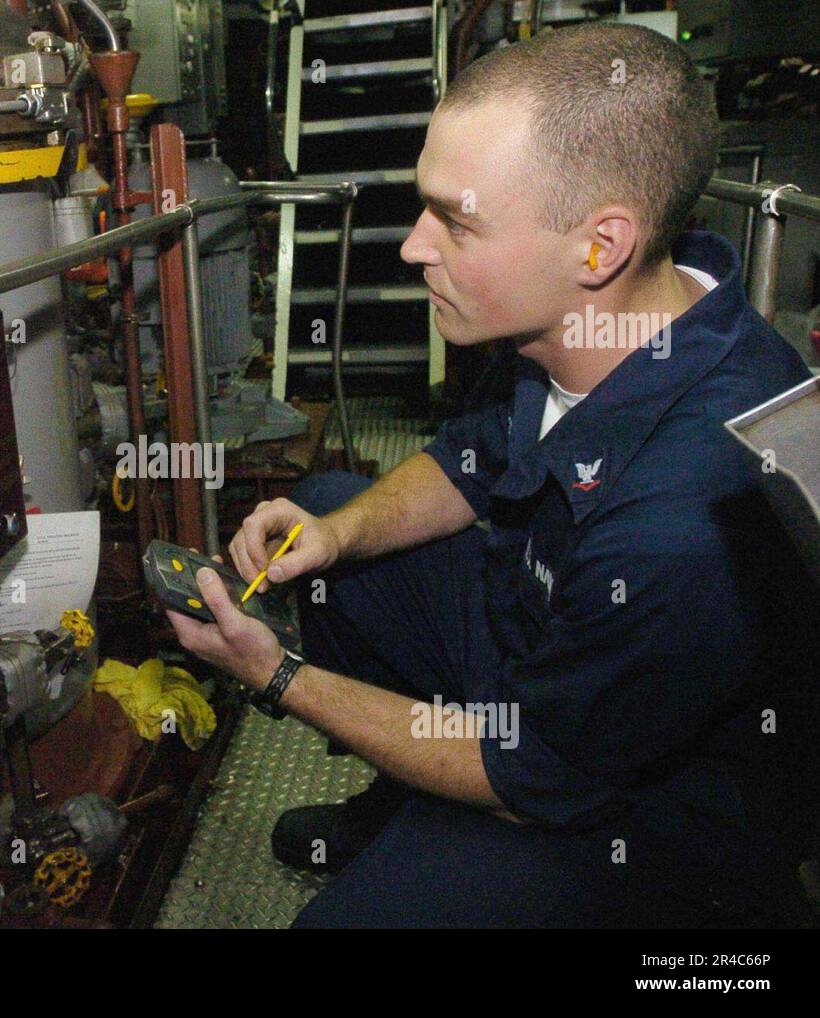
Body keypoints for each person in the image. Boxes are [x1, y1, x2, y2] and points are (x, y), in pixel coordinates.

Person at [167, 21, 818, 928]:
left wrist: (276, 676)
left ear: (601, 246)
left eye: (457, 221)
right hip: (541, 640)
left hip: (640, 806)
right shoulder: (588, 317)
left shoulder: (689, 515)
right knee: (322, 521)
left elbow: (534, 775)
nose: (412, 247)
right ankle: (409, 804)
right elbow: (474, 461)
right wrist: (340, 535)